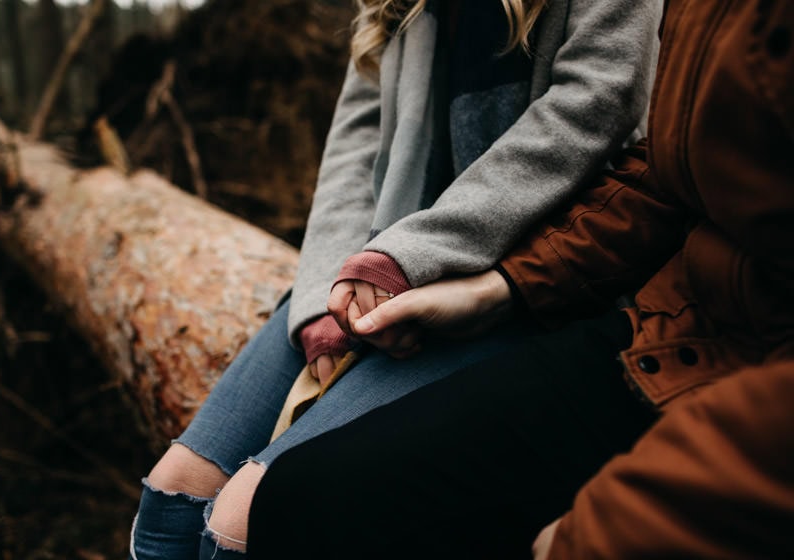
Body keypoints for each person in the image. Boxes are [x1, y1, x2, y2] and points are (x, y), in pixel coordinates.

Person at [241, 0, 794, 557]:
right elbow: (664, 182)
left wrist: (441, 262)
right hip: (641, 311)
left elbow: (596, 110)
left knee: (267, 507)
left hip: (535, 282)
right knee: (206, 495)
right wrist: (491, 288)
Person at [128, 0, 663, 557]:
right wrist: (319, 299)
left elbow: (596, 103)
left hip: (523, 280)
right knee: (174, 494)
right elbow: (354, 145)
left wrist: (412, 255)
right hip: (381, 263)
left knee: (247, 521)